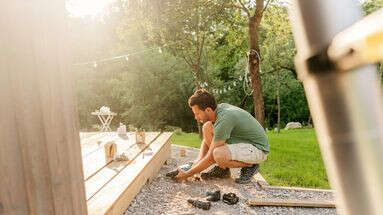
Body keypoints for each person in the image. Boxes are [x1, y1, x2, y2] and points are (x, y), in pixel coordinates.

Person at [175, 89, 270, 184]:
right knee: (207, 127)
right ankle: (223, 169)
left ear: (208, 110)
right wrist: (196, 163)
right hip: (246, 143)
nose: (196, 117)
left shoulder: (224, 119)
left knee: (218, 154)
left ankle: (251, 165)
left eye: (197, 113)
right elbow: (208, 142)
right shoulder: (218, 110)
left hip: (258, 149)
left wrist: (188, 173)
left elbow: (211, 157)